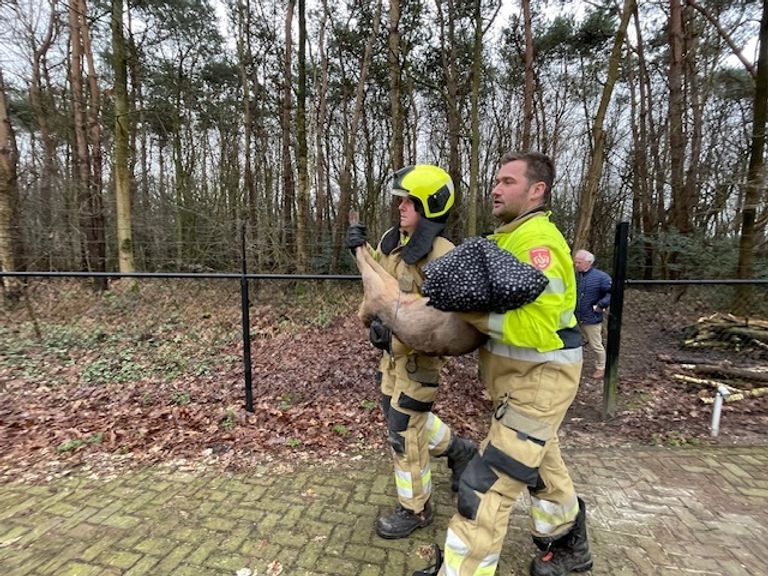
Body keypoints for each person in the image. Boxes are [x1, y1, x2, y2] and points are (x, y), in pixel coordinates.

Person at [413, 151, 592, 576]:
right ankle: (567, 541)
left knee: (486, 482)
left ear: (537, 190)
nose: (495, 188)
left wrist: (469, 311)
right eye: (496, 180)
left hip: (541, 381)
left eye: (508, 182)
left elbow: (536, 329)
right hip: (516, 384)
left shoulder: (540, 245)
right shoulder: (506, 239)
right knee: (541, 463)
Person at [346, 164, 477, 540]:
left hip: (418, 364)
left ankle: (416, 509)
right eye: (401, 200)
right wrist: (363, 250)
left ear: (430, 206)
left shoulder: (442, 255)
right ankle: (460, 451)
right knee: (399, 420)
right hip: (390, 360)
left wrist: (396, 334)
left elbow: (442, 323)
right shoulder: (394, 240)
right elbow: (386, 287)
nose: (401, 207)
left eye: (410, 202)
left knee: (403, 433)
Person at [574, 250, 611, 380]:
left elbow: (610, 293)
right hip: (575, 316)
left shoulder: (602, 277)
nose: (576, 264)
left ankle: (601, 367)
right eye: (576, 262)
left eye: (579, 262)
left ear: (588, 263)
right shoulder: (575, 276)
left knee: (596, 344)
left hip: (592, 317)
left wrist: (601, 305)